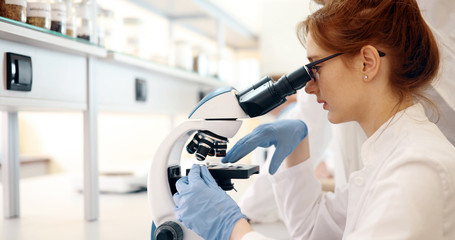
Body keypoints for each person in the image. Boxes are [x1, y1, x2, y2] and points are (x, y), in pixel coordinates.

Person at [173, 0, 455, 239]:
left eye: (316, 67)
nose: (308, 87)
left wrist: (233, 228)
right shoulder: (386, 158)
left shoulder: (415, 169)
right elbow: (312, 228)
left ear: (367, 62)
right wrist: (296, 153)